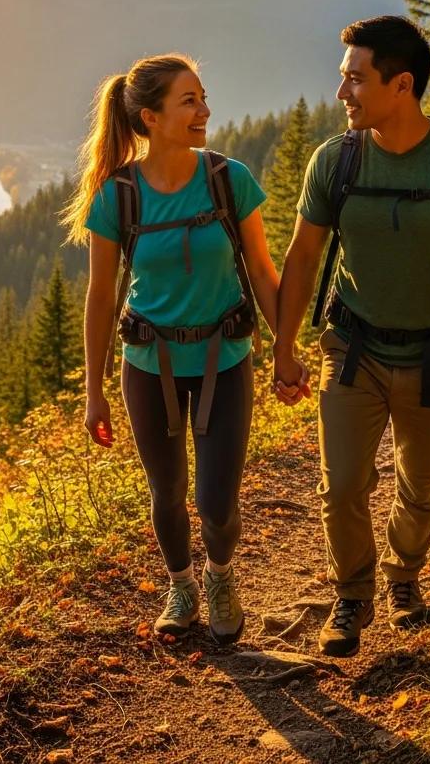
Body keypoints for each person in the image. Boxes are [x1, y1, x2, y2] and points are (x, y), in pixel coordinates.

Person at [272, 16, 430, 657]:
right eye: (342, 78)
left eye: (355, 79)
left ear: (402, 84)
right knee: (342, 486)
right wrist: (283, 346)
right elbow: (303, 258)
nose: (342, 93)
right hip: (352, 351)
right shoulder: (336, 161)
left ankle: (404, 578)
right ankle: (352, 596)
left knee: (420, 485)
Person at [65, 53, 304, 645]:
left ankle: (220, 575)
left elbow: (262, 268)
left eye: (203, 97)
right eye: (189, 101)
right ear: (150, 116)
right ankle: (182, 583)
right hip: (149, 366)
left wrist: (286, 348)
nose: (205, 110)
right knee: (167, 493)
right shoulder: (117, 197)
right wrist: (93, 392)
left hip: (226, 358)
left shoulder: (229, 179)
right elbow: (100, 299)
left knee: (216, 500)